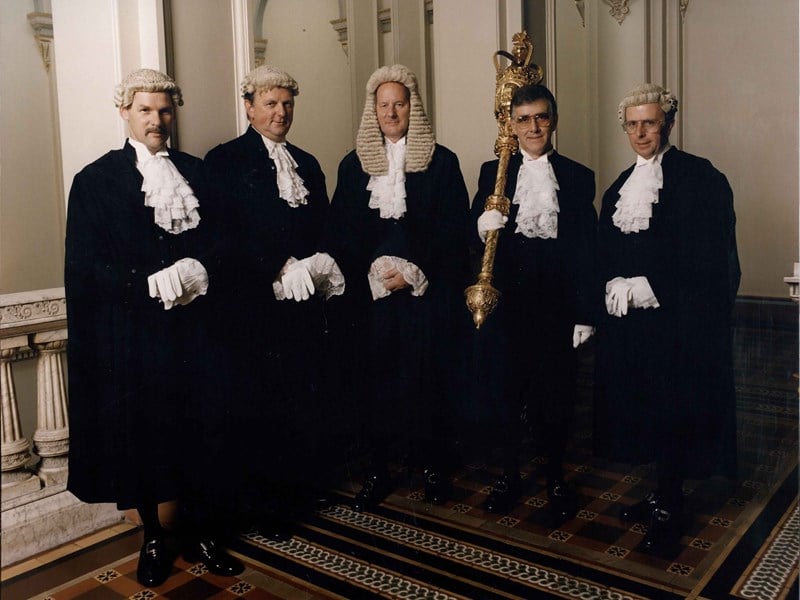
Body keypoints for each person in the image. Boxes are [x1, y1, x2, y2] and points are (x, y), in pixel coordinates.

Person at [65, 68, 243, 588]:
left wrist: (200, 267)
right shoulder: (95, 181)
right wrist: (148, 283)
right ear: (125, 112)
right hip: (136, 339)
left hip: (200, 335)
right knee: (146, 439)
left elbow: (230, 239)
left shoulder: (200, 173)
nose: (156, 120)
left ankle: (205, 534)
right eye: (145, 110)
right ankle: (155, 539)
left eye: (164, 110)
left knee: (204, 432)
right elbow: (85, 266)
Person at [594, 83, 740, 553]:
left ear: (669, 124)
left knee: (675, 411)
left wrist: (651, 286)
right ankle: (660, 491)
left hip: (678, 326)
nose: (640, 132)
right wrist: (613, 282)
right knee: (643, 410)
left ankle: (670, 504)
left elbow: (713, 258)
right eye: (632, 124)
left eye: (649, 123)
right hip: (634, 329)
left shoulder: (701, 178)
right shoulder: (619, 186)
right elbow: (606, 251)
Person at [323, 64, 470, 511]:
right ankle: (377, 471)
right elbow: (340, 231)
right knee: (374, 384)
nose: (391, 112)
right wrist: (367, 271)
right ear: (374, 111)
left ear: (413, 108)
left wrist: (416, 272)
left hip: (425, 295)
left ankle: (433, 468)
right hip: (373, 301)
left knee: (428, 381)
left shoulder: (442, 161)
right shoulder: (353, 165)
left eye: (399, 104)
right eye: (383, 105)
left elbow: (455, 231)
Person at [203, 65, 341, 537]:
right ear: (248, 107)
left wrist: (318, 261)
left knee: (301, 398)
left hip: (302, 305)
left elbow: (326, 225)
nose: (280, 112)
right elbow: (223, 236)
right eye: (270, 104)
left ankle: (296, 492)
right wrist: (278, 265)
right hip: (252, 309)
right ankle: (264, 508)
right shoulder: (223, 160)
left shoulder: (308, 161)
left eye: (287, 104)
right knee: (259, 407)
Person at [471, 84, 597, 523]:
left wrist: (585, 313)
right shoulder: (493, 172)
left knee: (555, 397)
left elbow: (587, 250)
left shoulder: (579, 177)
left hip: (557, 308)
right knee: (504, 394)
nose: (533, 127)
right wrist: (480, 226)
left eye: (541, 117)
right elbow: (476, 248)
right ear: (510, 125)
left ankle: (556, 478)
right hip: (508, 308)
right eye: (523, 119)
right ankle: (507, 476)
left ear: (554, 120)